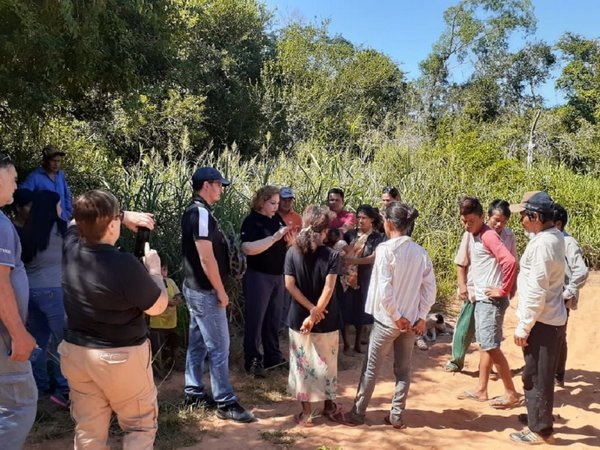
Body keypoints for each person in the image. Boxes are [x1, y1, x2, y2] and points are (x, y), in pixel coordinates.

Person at [58, 190, 168, 449]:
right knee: (139, 424)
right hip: (121, 357)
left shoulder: (70, 248)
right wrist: (154, 271)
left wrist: (122, 215)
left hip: (77, 354)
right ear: (111, 225)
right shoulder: (125, 265)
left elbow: (74, 222)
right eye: (116, 218)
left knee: (88, 429)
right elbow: (158, 307)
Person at [345, 201, 436, 428]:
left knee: (371, 368)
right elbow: (429, 288)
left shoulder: (386, 250)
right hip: (411, 322)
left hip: (388, 321)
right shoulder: (420, 252)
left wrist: (396, 317)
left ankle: (358, 413)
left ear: (388, 223)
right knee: (403, 370)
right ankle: (396, 414)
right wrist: (421, 316)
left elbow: (385, 291)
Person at [181, 167, 254, 422]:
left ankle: (193, 392)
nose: (222, 189)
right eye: (219, 185)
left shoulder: (196, 211)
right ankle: (225, 401)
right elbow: (205, 257)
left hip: (195, 287)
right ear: (207, 185)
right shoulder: (200, 213)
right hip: (205, 290)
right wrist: (221, 292)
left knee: (198, 342)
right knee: (220, 346)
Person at [508, 191, 567, 445]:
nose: (520, 220)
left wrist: (524, 326)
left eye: (522, 215)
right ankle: (537, 418)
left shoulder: (543, 244)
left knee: (535, 377)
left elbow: (537, 289)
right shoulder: (552, 237)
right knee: (536, 374)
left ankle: (541, 430)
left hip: (542, 321)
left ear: (534, 216)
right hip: (547, 319)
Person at [455, 197, 520, 408]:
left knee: (491, 345)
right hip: (483, 299)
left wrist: (503, 290)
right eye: (463, 221)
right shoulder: (474, 235)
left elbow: (510, 261)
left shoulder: (489, 236)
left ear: (482, 217)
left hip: (491, 301)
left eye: (471, 221)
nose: (466, 225)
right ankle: (481, 390)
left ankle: (511, 392)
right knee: (486, 344)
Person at [284, 206, 343, 427]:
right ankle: (329, 407)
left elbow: (289, 285)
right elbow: (328, 290)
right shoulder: (333, 255)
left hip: (298, 318)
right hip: (326, 318)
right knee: (327, 363)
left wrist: (309, 311)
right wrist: (316, 312)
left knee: (302, 365)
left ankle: (307, 415)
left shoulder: (291, 252)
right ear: (325, 231)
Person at [18, 190, 70, 407]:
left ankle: (39, 387)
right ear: (52, 207)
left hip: (30, 292)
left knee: (37, 342)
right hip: (54, 291)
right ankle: (64, 390)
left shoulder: (25, 231)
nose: (60, 209)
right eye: (58, 205)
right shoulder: (61, 228)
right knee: (63, 341)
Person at [0, 152, 38, 449]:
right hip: (4, 338)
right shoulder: (0, 225)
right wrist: (18, 334)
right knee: (18, 408)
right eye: (12, 178)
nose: (15, 185)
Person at [240, 186, 290, 377]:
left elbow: (281, 244)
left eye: (277, 203)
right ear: (262, 201)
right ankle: (252, 359)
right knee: (256, 318)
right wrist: (274, 238)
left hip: (277, 275)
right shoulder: (252, 221)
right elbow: (247, 248)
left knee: (273, 318)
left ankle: (273, 356)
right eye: (272, 203)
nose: (276, 207)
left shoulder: (276, 218)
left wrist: (290, 240)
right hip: (258, 275)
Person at [340, 204, 384, 355]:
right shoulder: (350, 235)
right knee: (345, 310)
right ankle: (346, 344)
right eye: (358, 217)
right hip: (347, 280)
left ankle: (358, 343)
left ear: (372, 219)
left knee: (361, 311)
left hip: (365, 278)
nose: (360, 220)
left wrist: (352, 261)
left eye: (364, 218)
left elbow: (373, 258)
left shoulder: (377, 238)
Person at [553, 204, 588, 387]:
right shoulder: (549, 240)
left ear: (558, 224)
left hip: (561, 297)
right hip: (550, 295)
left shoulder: (568, 243)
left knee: (559, 335)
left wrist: (569, 291)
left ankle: (558, 375)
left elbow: (581, 271)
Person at [148, 262, 184, 377]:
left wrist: (177, 300)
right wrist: (167, 302)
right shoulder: (152, 282)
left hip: (171, 321)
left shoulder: (171, 282)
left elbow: (178, 295)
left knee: (175, 344)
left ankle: (176, 364)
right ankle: (159, 371)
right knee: (157, 348)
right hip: (157, 322)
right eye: (161, 270)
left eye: (165, 269)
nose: (163, 272)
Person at [20, 145, 72, 222]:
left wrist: (68, 212)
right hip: (45, 224)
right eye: (53, 160)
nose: (56, 164)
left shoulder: (60, 175)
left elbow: (67, 195)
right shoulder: (35, 177)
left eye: (58, 161)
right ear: (45, 160)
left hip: (63, 220)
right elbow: (22, 195)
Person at [277, 187, 302, 330]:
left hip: (291, 257)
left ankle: (283, 324)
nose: (287, 202)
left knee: (288, 290)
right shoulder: (271, 214)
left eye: (289, 199)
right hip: (273, 257)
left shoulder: (297, 218)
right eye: (284, 199)